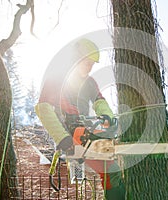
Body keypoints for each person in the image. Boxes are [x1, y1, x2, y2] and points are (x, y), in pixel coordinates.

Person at [34, 38, 125, 199]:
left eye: (92, 64)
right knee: (81, 183)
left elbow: (100, 101)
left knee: (112, 172)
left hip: (85, 131)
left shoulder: (89, 82)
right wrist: (63, 139)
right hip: (67, 133)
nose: (89, 68)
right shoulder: (56, 79)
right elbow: (43, 108)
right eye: (87, 63)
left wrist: (108, 117)